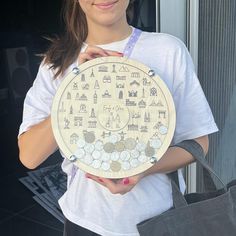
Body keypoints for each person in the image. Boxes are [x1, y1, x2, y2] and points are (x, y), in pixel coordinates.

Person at [18, 0, 218, 235]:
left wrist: (143, 169)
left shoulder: (168, 50)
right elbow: (30, 157)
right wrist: (75, 89)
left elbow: (198, 144)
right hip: (85, 222)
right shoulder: (57, 63)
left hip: (161, 219)